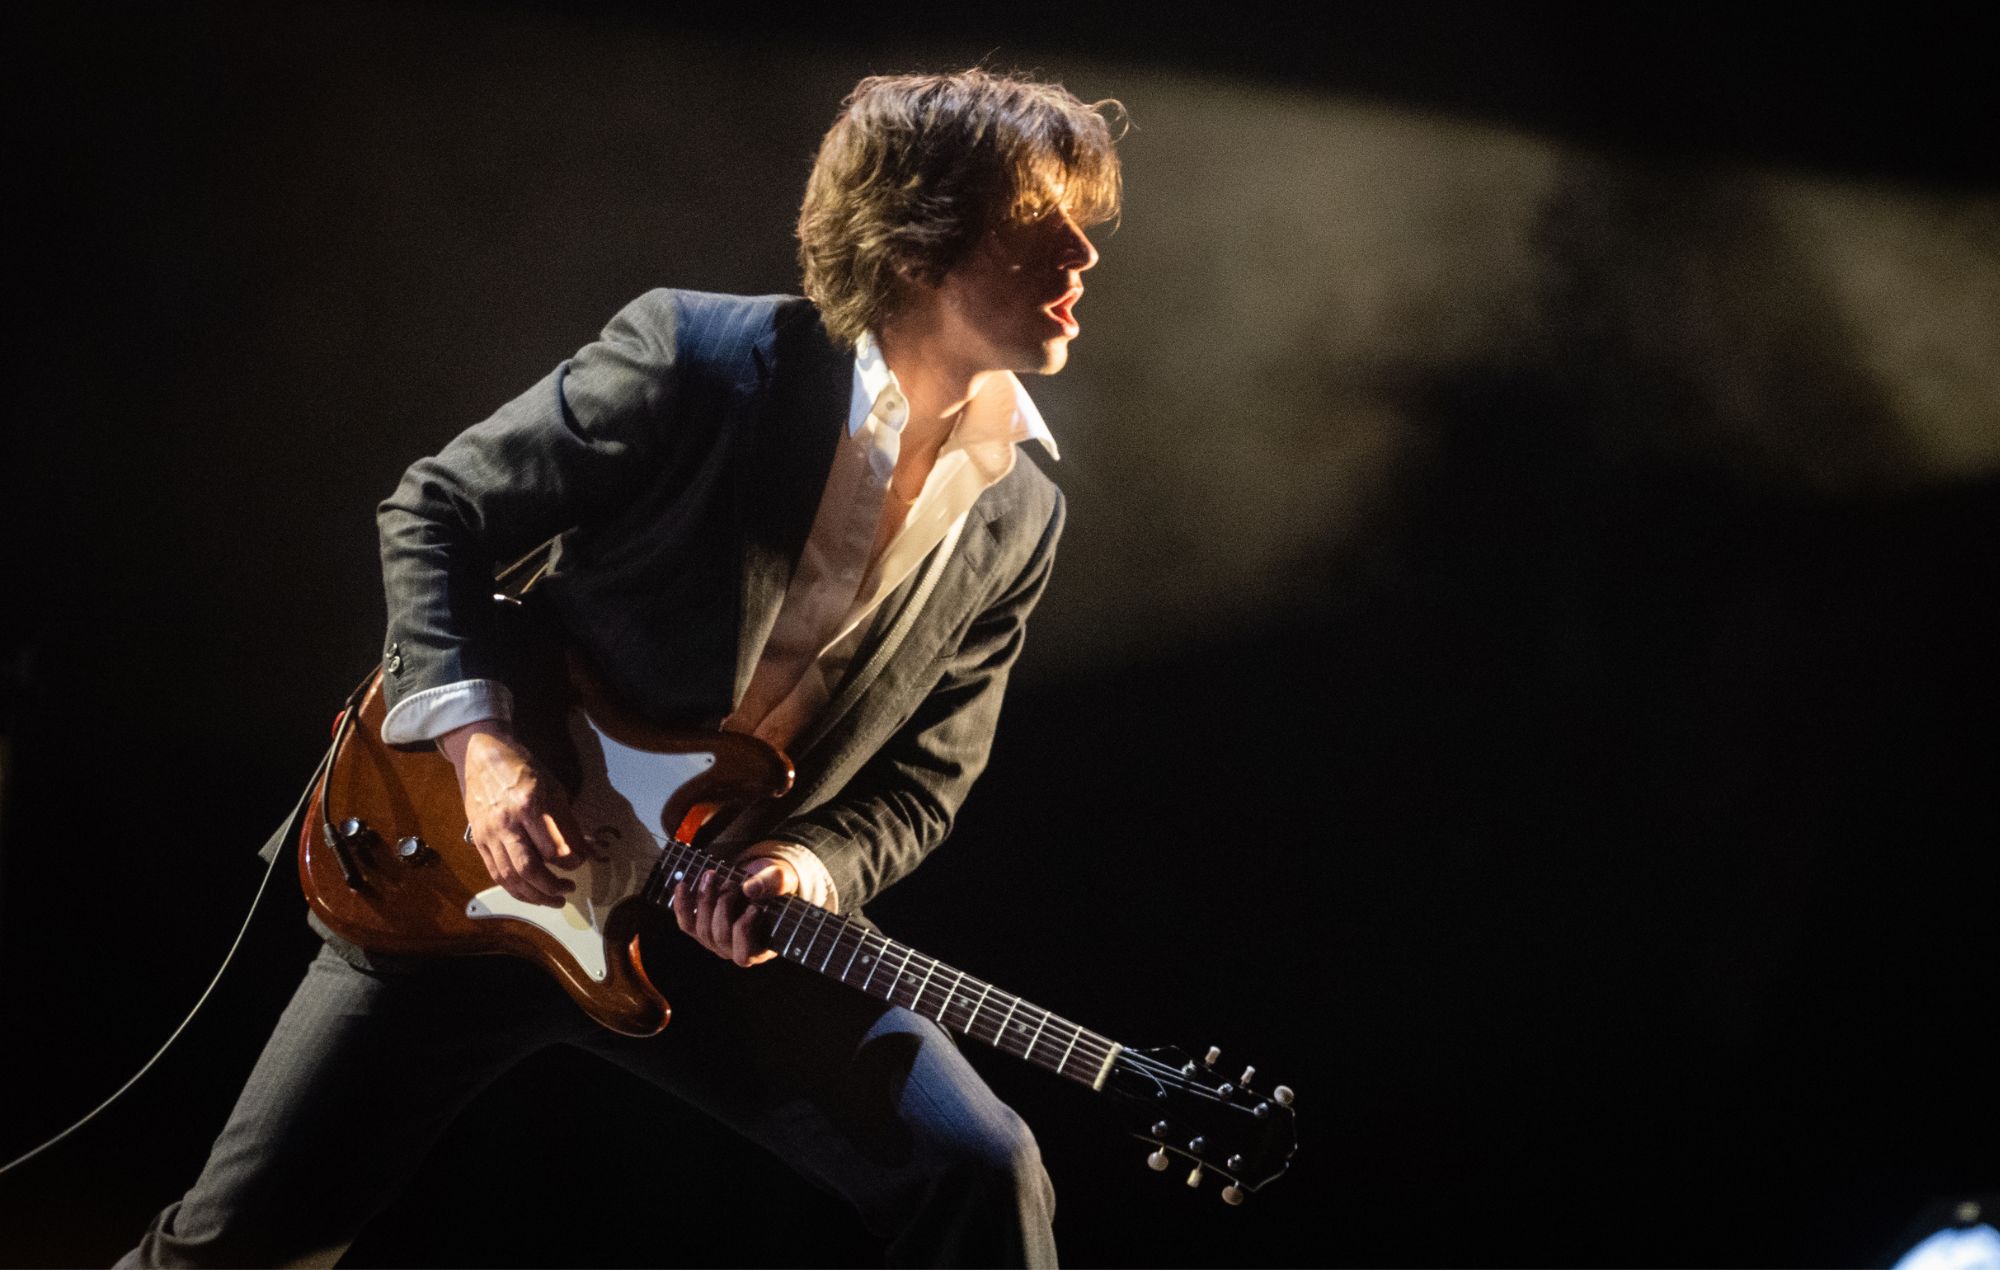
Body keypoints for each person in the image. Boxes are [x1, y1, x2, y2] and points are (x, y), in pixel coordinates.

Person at [117, 67, 1120, 1268]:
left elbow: (925, 784)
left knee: (980, 1169)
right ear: (918, 236)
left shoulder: (1023, 514)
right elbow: (434, 510)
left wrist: (803, 866)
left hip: (697, 923)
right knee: (228, 1251)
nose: (1082, 254)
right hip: (478, 878)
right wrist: (482, 754)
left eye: (1082, 221)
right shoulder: (700, 357)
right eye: (1036, 221)